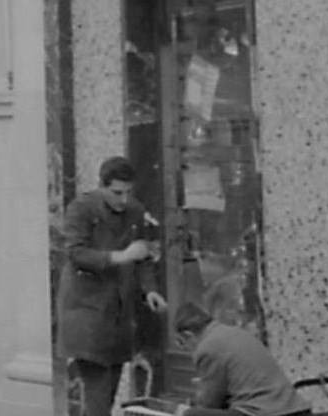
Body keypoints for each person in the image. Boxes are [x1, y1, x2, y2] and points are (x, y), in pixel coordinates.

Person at [57, 156, 167, 416]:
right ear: (102, 186)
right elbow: (76, 253)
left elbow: (142, 257)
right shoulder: (81, 208)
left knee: (106, 396)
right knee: (97, 396)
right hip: (86, 314)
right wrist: (120, 256)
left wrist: (150, 289)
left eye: (129, 192)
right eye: (117, 193)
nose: (124, 200)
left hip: (119, 316)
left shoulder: (135, 211)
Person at [174, 302, 310, 416]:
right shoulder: (234, 332)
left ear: (188, 335)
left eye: (181, 343)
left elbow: (211, 402)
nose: (184, 349)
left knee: (191, 414)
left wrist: (195, 398)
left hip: (263, 412)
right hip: (295, 408)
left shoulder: (207, 347)